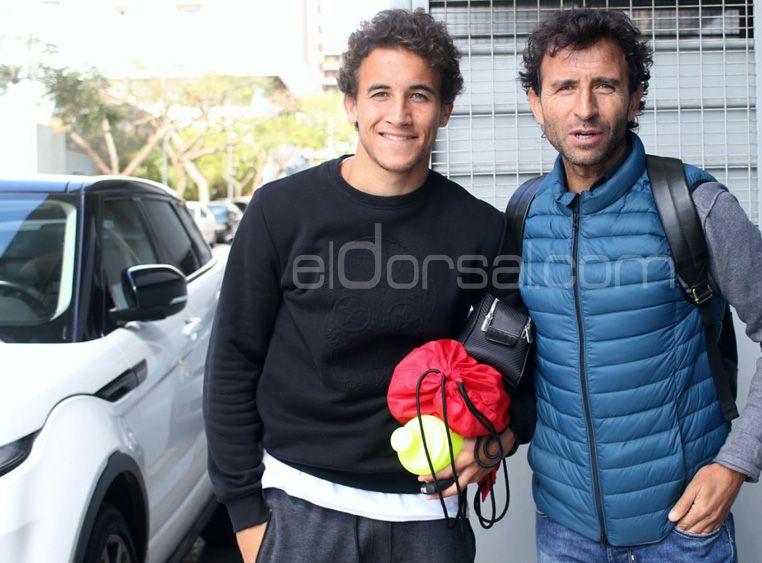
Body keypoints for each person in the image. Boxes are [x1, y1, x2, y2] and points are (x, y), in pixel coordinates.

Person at [203, 9, 533, 563]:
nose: (398, 115)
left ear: (446, 109)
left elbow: (520, 372)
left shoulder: (482, 229)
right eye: (380, 93)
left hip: (429, 517)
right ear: (352, 104)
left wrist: (497, 441)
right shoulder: (280, 212)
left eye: (420, 95)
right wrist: (246, 518)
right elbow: (232, 364)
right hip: (299, 510)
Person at [515, 9, 762, 562]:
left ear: (635, 98)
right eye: (564, 88)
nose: (584, 108)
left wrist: (735, 464)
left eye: (605, 85)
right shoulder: (525, 213)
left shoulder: (692, 204)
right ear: (537, 103)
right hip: (564, 531)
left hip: (679, 533)